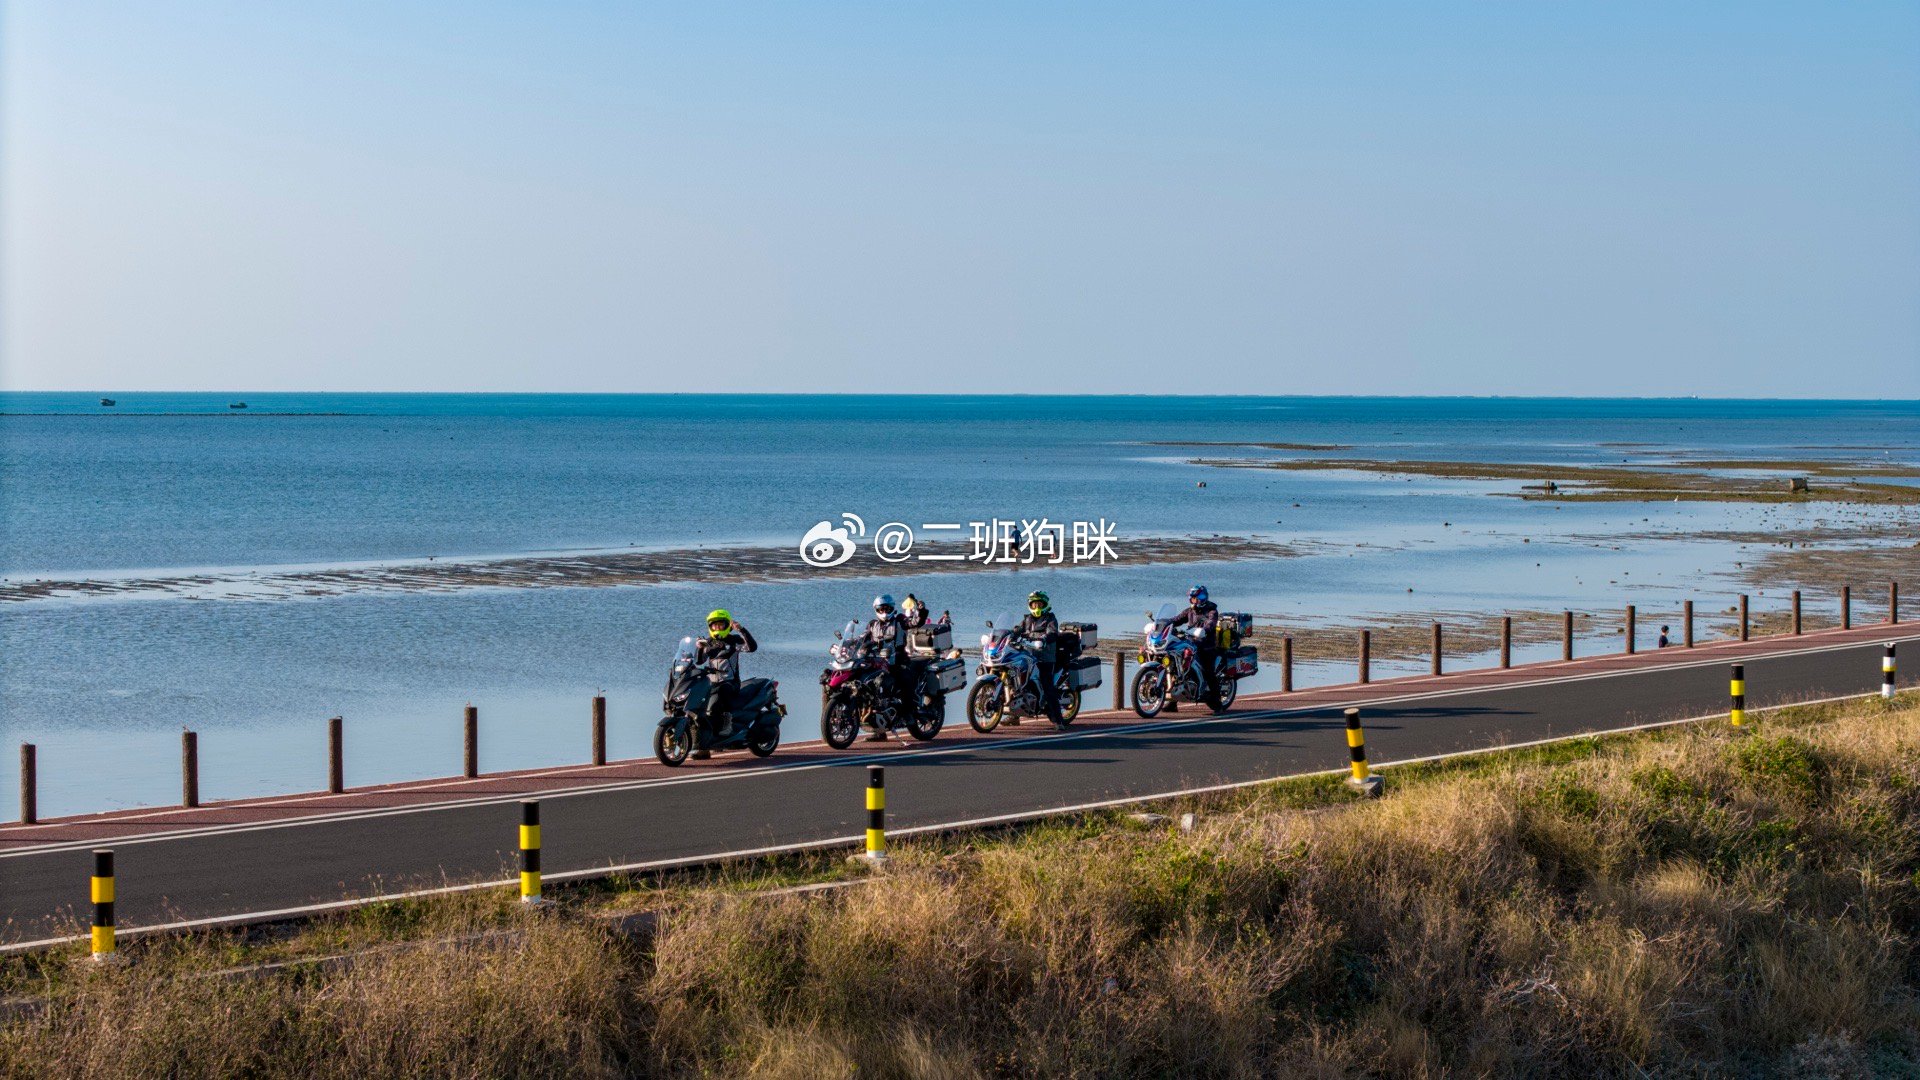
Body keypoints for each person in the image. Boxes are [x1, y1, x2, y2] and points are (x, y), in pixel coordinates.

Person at [693, 609, 757, 739]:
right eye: (714, 625)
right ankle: (700, 737)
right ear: (710, 626)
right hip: (711, 683)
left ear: (727, 625)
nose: (717, 627)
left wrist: (741, 629)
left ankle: (727, 724)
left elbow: (752, 648)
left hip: (730, 682)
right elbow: (699, 661)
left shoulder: (734, 640)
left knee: (721, 692)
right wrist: (699, 648)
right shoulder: (708, 642)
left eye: (720, 624)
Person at [1016, 590, 1067, 728]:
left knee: (1047, 686)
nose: (1036, 608)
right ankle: (1013, 715)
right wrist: (1009, 634)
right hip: (1029, 657)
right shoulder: (1027, 619)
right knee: (1016, 682)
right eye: (1034, 605)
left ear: (1045, 604)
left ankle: (1058, 720)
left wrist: (1044, 639)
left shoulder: (1050, 619)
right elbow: (1017, 630)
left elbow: (1052, 633)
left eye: (1039, 604)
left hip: (1045, 658)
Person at [863, 594, 910, 740]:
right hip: (879, 662)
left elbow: (914, 623)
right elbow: (862, 639)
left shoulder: (900, 620)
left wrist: (921, 613)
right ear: (876, 609)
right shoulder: (872, 624)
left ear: (892, 608)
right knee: (872, 690)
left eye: (887, 608)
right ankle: (879, 729)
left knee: (904, 684)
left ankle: (909, 716)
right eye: (881, 608)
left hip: (899, 661)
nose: (884, 611)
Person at [1171, 585, 1222, 701]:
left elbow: (1211, 623)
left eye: (1200, 596)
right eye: (1194, 597)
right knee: (1177, 668)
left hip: (1206, 646)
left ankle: (1217, 702)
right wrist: (1162, 623)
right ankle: (1172, 702)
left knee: (1208, 671)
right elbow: (1176, 619)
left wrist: (1204, 630)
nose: (1197, 600)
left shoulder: (1212, 611)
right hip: (1191, 644)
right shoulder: (1190, 611)